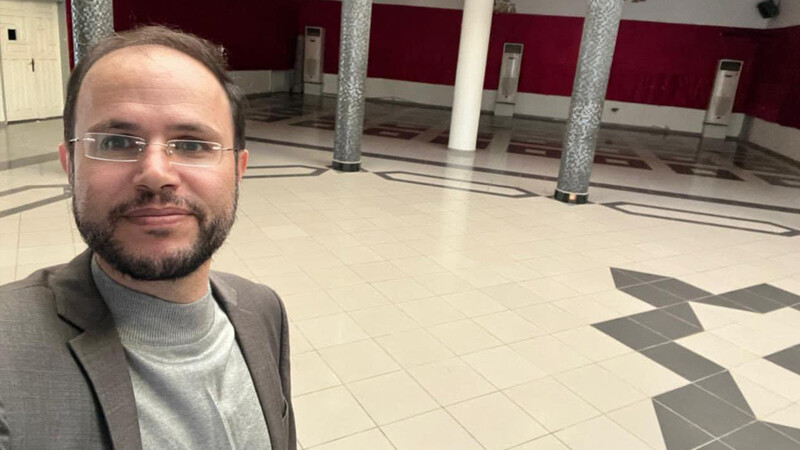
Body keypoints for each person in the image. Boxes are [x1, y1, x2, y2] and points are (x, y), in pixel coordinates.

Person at [0, 26, 295, 449]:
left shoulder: (263, 311)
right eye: (117, 142)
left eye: (192, 145)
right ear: (70, 166)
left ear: (239, 168)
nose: (156, 173)